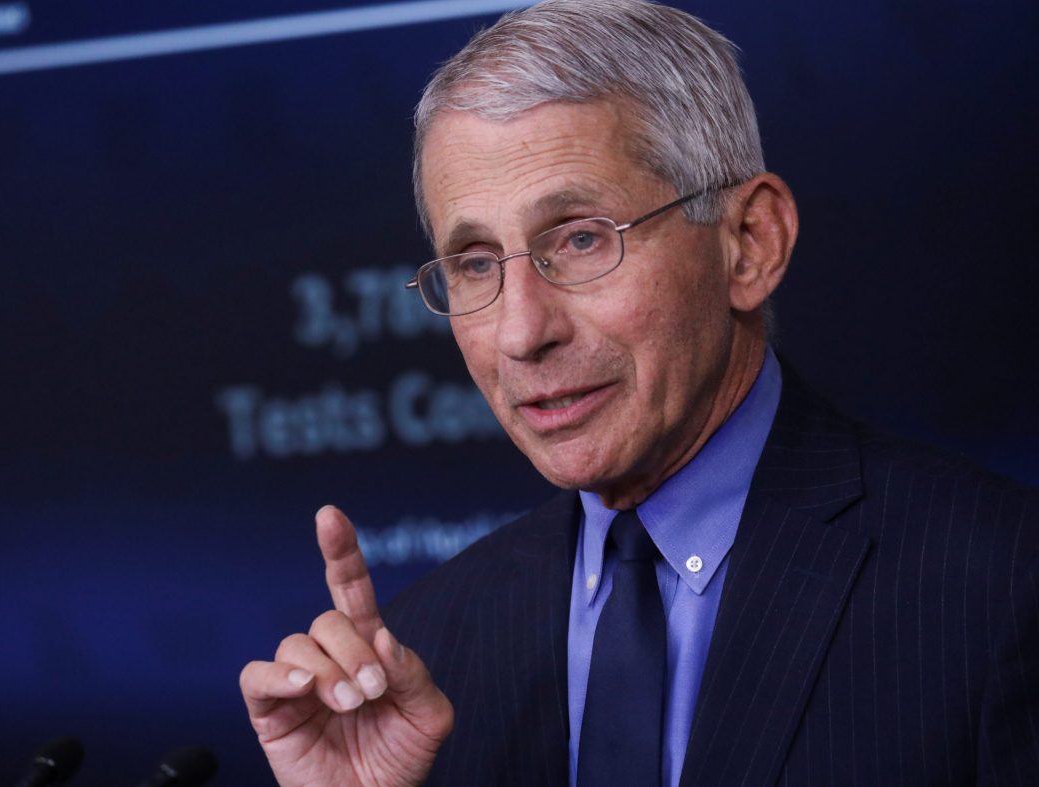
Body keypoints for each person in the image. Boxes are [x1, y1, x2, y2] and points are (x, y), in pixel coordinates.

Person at [239, 1, 1039, 784]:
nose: (522, 332)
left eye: (581, 239)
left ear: (750, 243)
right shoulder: (421, 651)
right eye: (477, 263)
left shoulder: (1001, 586)